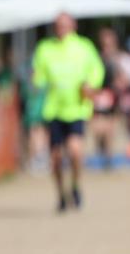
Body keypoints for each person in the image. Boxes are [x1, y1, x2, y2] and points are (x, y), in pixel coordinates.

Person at [31, 12, 104, 211]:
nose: (61, 28)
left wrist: (91, 84)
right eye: (58, 25)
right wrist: (35, 82)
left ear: (73, 25)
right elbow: (38, 76)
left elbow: (96, 69)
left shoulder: (84, 46)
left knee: (75, 151)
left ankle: (75, 185)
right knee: (55, 158)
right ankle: (61, 194)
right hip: (53, 110)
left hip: (77, 108)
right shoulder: (45, 48)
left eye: (65, 24)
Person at [92, 28, 122, 170]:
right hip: (98, 95)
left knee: (110, 129)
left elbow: (123, 76)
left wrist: (120, 84)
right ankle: (102, 146)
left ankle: (109, 157)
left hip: (112, 96)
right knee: (98, 129)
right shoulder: (96, 57)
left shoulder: (117, 58)